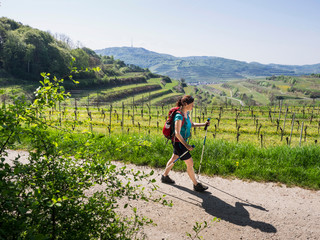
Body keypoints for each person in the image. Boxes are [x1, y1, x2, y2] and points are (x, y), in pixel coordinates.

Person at [161, 95, 210, 192]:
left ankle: (164, 176)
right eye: (191, 104)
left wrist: (203, 124)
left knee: (174, 158)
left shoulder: (186, 113)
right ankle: (196, 185)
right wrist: (186, 145)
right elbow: (177, 133)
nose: (193, 106)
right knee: (190, 163)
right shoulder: (179, 116)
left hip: (182, 141)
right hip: (179, 142)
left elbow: (191, 124)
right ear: (185, 104)